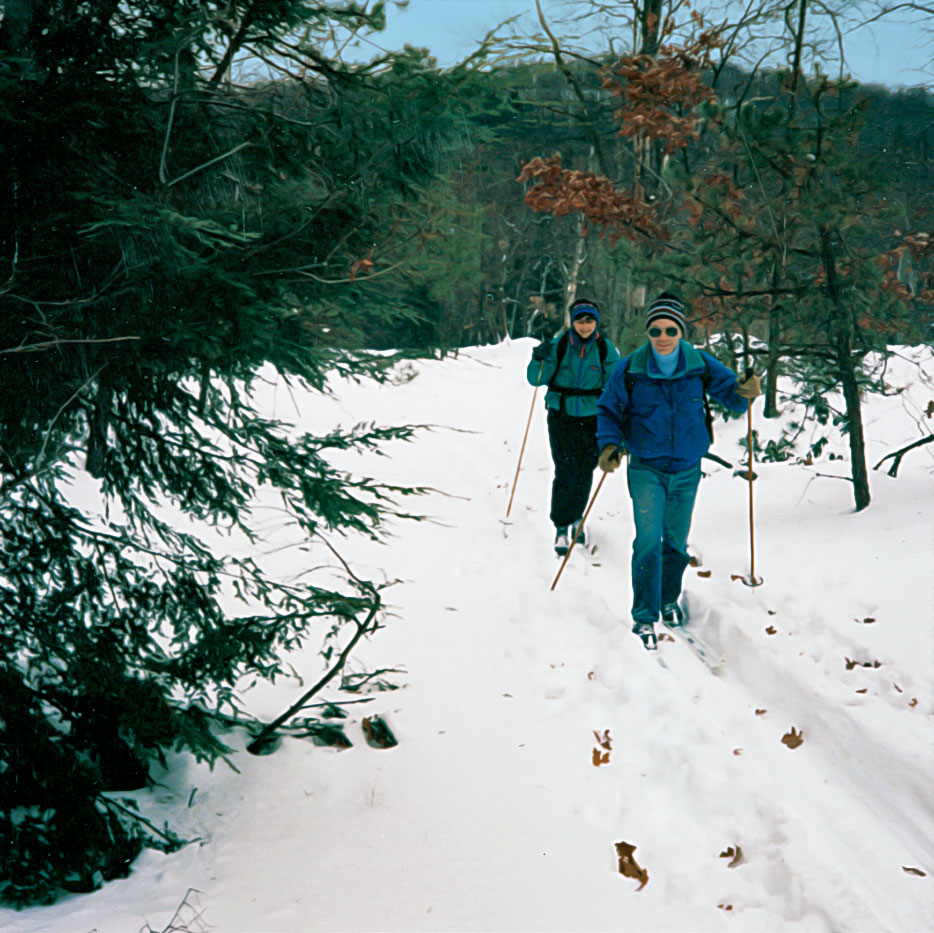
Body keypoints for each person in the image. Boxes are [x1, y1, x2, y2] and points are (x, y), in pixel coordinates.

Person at [595, 292, 761, 649]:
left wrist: (747, 391)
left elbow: (733, 398)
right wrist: (609, 446)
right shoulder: (630, 369)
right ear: (648, 332)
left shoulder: (699, 364)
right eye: (655, 330)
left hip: (687, 467)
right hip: (646, 467)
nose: (663, 336)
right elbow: (608, 411)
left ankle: (668, 600)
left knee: (674, 541)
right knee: (647, 540)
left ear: (681, 330)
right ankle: (644, 617)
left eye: (671, 329)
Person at [527, 298, 621, 555]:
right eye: (580, 320)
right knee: (566, 467)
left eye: (590, 320)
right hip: (561, 414)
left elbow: (615, 384)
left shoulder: (604, 349)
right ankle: (561, 524)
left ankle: (577, 517)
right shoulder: (558, 345)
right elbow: (536, 379)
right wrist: (539, 358)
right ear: (573, 322)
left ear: (596, 322)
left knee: (585, 468)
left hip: (593, 417)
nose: (585, 325)